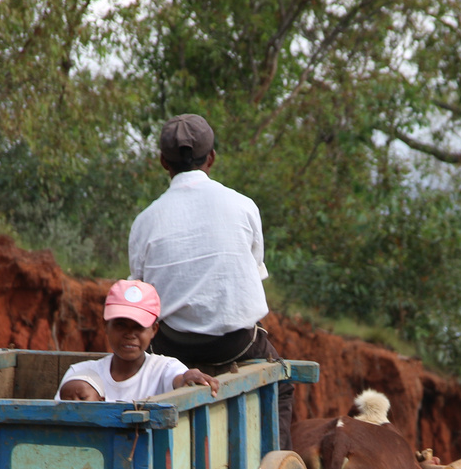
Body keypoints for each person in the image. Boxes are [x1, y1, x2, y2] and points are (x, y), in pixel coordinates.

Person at [128, 113, 293, 446]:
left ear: (163, 162)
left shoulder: (144, 222)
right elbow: (255, 269)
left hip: (171, 348)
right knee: (282, 384)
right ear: (212, 158)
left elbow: (142, 296)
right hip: (237, 346)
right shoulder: (243, 206)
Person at [58, 280, 219, 402]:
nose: (130, 334)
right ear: (105, 326)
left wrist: (188, 377)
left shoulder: (163, 369)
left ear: (153, 330)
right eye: (121, 325)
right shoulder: (80, 375)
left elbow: (179, 379)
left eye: (139, 327)